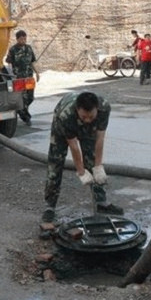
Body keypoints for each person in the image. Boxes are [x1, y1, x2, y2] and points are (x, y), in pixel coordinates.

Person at [41, 91, 124, 223]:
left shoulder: (104, 108)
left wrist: (98, 166)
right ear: (77, 109)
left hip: (87, 126)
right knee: (55, 164)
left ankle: (101, 202)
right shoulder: (66, 115)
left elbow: (100, 139)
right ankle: (50, 206)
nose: (87, 120)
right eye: (84, 116)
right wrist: (81, 171)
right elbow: (74, 146)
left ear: (97, 109)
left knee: (91, 159)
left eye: (91, 116)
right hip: (61, 127)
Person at [6, 30, 40, 126]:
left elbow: (32, 62)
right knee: (23, 98)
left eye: (25, 39)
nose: (23, 41)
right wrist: (11, 75)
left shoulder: (28, 48)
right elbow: (9, 63)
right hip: (19, 78)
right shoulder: (13, 50)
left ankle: (20, 110)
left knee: (30, 97)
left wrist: (37, 73)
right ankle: (26, 117)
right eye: (21, 39)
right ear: (17, 39)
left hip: (29, 77)